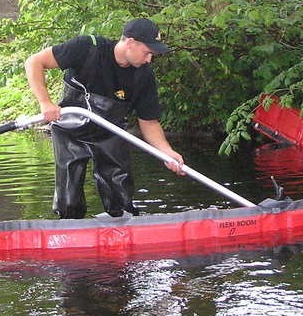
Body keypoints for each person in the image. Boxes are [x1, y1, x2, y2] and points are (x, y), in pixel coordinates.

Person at [25, 17, 185, 219]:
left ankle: (121, 224)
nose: (149, 59)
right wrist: (45, 102)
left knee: (120, 195)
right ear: (130, 42)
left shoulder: (144, 76)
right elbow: (34, 62)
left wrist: (167, 152)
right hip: (70, 128)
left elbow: (149, 122)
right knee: (69, 196)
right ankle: (69, 225)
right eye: (147, 52)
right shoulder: (87, 47)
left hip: (111, 132)